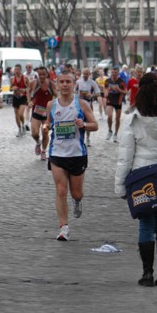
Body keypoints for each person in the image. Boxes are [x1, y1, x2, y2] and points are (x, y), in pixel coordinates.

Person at [114, 72, 157, 287]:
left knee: (146, 225)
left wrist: (121, 186)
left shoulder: (132, 120)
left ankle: (147, 273)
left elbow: (125, 155)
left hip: (143, 178)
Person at [43, 70, 98, 241]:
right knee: (60, 190)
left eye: (68, 82)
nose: (65, 85)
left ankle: (77, 201)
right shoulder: (51, 105)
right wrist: (46, 128)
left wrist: (84, 125)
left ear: (74, 84)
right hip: (57, 154)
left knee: (76, 193)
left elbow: (95, 125)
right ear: (57, 85)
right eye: (62, 82)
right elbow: (48, 123)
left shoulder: (81, 104)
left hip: (77, 154)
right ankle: (63, 228)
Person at [30, 66, 57, 160]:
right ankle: (38, 142)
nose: (41, 76)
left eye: (43, 74)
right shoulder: (34, 83)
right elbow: (28, 90)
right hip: (36, 111)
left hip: (47, 113)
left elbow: (57, 96)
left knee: (45, 132)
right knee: (34, 133)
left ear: (46, 74)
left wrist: (55, 106)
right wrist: (29, 100)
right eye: (39, 74)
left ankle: (44, 151)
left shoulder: (51, 84)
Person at [74, 67, 100, 147]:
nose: (85, 75)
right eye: (84, 73)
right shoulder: (78, 82)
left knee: (89, 121)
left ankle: (88, 137)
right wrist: (77, 95)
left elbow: (98, 93)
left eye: (87, 74)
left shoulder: (92, 83)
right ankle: (79, 138)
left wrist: (91, 95)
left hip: (89, 103)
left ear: (89, 74)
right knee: (79, 120)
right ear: (82, 73)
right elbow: (73, 91)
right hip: (79, 103)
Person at [104, 66, 127, 143]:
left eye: (115, 73)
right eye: (112, 72)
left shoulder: (121, 81)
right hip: (110, 100)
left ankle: (116, 134)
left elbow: (126, 92)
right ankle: (110, 130)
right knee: (109, 116)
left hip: (118, 101)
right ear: (111, 72)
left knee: (117, 119)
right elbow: (105, 88)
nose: (113, 74)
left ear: (118, 73)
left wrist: (119, 90)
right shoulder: (107, 80)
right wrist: (106, 93)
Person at [10, 64, 30, 137]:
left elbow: (29, 88)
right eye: (15, 69)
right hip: (15, 97)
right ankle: (20, 128)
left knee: (21, 114)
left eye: (18, 69)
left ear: (21, 70)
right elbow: (10, 88)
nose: (16, 71)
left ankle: (23, 124)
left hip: (23, 97)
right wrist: (13, 88)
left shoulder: (25, 78)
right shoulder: (12, 78)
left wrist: (24, 90)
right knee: (16, 115)